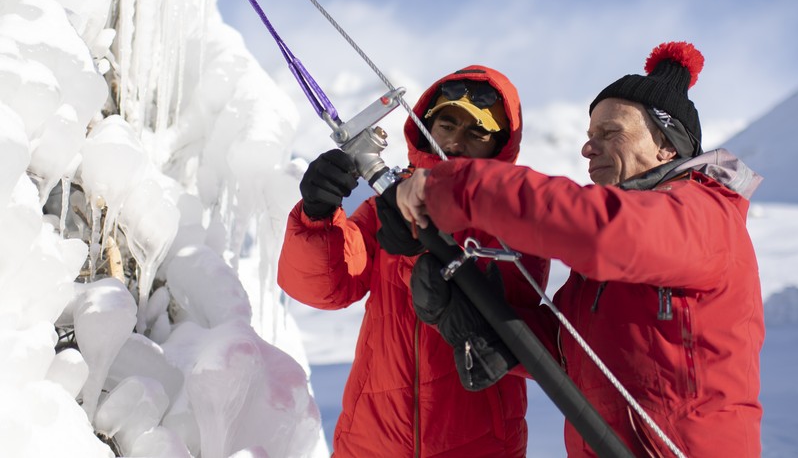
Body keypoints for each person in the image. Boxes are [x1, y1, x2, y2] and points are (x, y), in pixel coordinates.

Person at [392, 42, 765, 457]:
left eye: (610, 133)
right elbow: (569, 350)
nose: (589, 148)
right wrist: (481, 320)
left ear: (667, 147)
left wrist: (459, 186)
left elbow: (602, 231)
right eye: (589, 136)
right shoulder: (606, 264)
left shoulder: (701, 212)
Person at [278, 65, 550, 457]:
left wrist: (422, 242)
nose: (456, 141)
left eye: (477, 132)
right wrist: (317, 215)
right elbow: (325, 288)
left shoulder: (517, 215)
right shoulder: (384, 207)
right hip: (370, 439)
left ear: (500, 146)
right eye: (447, 124)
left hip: (479, 444)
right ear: (426, 127)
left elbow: (508, 312)